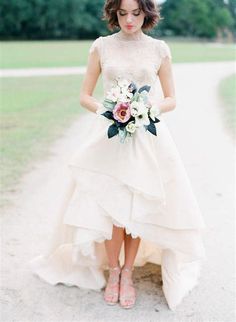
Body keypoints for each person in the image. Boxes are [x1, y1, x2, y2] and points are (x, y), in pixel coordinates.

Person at [29, 0, 207, 311]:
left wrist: (146, 110)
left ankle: (128, 272)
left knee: (136, 208)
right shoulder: (101, 47)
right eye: (122, 13)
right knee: (111, 210)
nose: (129, 19)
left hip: (146, 138)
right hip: (108, 138)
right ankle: (113, 272)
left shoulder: (159, 49)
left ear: (146, 13)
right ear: (114, 13)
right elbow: (85, 95)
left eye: (136, 13)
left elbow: (171, 98)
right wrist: (110, 112)